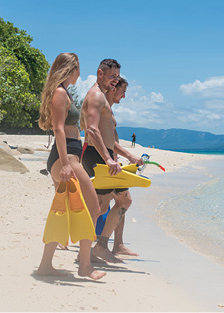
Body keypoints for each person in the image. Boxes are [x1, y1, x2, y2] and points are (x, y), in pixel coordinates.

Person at [35, 53, 105, 280]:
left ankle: (46, 265)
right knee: (93, 208)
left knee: (63, 212)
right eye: (77, 69)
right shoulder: (59, 93)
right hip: (65, 159)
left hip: (70, 156)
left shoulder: (64, 93)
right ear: (69, 69)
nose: (80, 73)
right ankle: (84, 265)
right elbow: (58, 129)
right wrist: (65, 164)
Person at [80, 59, 143, 263]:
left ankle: (99, 247)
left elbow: (107, 137)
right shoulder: (97, 96)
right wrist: (108, 159)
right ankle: (97, 248)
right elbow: (91, 130)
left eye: (117, 77)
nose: (115, 81)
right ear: (100, 73)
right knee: (118, 201)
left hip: (101, 155)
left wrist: (128, 156)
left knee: (101, 205)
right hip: (96, 156)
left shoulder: (103, 98)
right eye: (112, 76)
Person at [107, 78, 139, 256]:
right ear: (114, 88)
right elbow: (105, 140)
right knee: (123, 201)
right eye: (123, 91)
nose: (124, 96)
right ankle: (101, 245)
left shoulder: (108, 108)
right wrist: (130, 155)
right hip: (107, 163)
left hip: (111, 161)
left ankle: (117, 244)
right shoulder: (104, 108)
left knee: (115, 202)